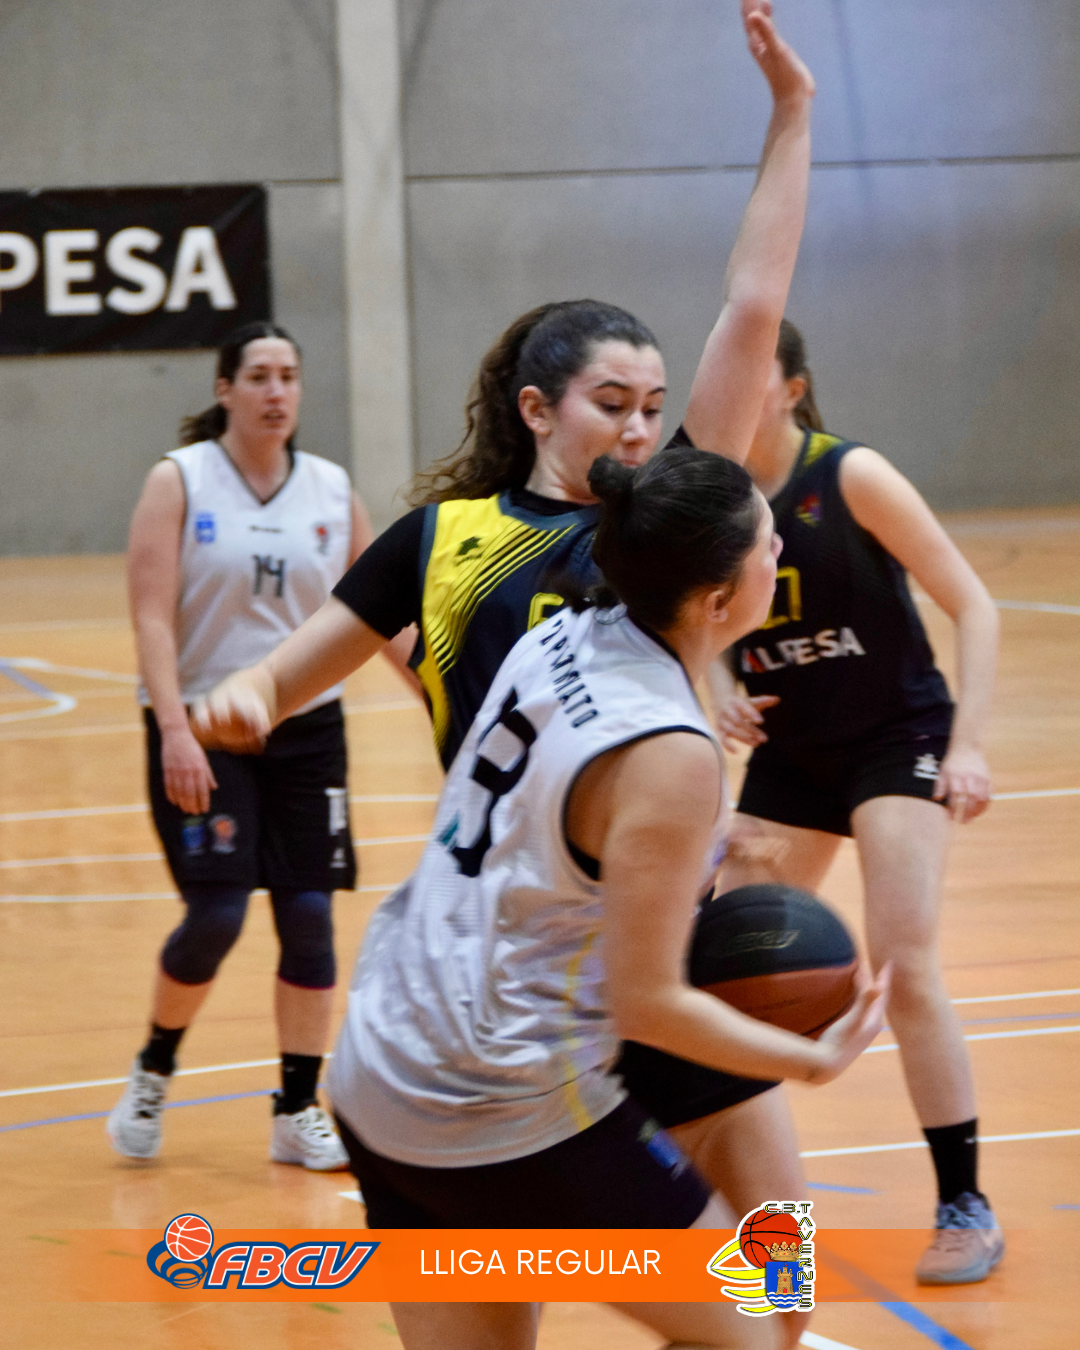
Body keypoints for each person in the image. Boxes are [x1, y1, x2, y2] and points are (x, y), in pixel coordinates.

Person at [193, 5, 819, 1315]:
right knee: (627, 1290)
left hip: (644, 935)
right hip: (519, 965)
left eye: (656, 409)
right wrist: (242, 695)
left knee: (780, 1267)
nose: (641, 432)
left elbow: (754, 308)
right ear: (537, 408)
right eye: (612, 405)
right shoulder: (447, 541)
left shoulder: (657, 528)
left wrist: (790, 118)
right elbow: (290, 672)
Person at [325, 448, 889, 1350]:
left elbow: (566, 816)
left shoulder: (565, 631)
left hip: (386, 1055)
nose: (781, 545)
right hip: (505, 1098)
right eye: (766, 542)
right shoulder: (670, 752)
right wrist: (812, 1058)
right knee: (755, 1326)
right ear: (715, 600)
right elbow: (648, 1003)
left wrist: (677, 851)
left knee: (775, 1287)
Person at [710, 318, 1003, 1285]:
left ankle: (964, 1201)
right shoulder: (713, 497)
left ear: (792, 388)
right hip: (790, 756)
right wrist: (716, 681)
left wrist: (967, 745)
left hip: (896, 739)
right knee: (724, 970)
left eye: (754, 374)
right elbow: (688, 621)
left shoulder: (851, 476)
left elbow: (974, 603)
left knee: (903, 964)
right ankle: (755, 1222)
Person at [107, 321, 408, 1170]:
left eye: (289, 376)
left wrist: (445, 700)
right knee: (217, 916)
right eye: (260, 376)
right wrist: (175, 730)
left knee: (310, 917)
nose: (278, 392)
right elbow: (150, 617)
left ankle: (296, 1107)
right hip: (205, 725)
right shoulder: (180, 480)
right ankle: (153, 1070)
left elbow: (384, 618)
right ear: (225, 389)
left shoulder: (330, 490)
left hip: (306, 730)